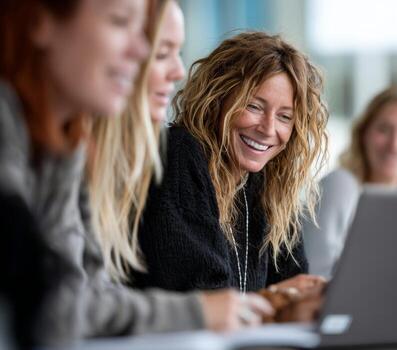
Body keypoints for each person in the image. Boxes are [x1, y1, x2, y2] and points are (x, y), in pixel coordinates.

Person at [0, 0, 270, 346]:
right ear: (40, 22)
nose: (141, 50)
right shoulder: (20, 137)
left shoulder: (63, 147)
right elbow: (58, 312)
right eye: (119, 22)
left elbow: (74, 302)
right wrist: (196, 311)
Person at [88, 0, 272, 331]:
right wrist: (198, 312)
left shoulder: (115, 163)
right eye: (161, 53)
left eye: (286, 116)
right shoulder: (177, 153)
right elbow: (67, 305)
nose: (177, 72)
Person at [133, 32, 329, 300]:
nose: (268, 128)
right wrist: (273, 298)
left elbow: (296, 287)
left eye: (285, 117)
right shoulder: (179, 155)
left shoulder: (266, 184)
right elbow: (205, 300)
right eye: (254, 106)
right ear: (217, 98)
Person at [303, 84, 397, 278]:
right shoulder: (340, 186)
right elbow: (315, 277)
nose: (395, 144)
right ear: (364, 135)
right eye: (384, 129)